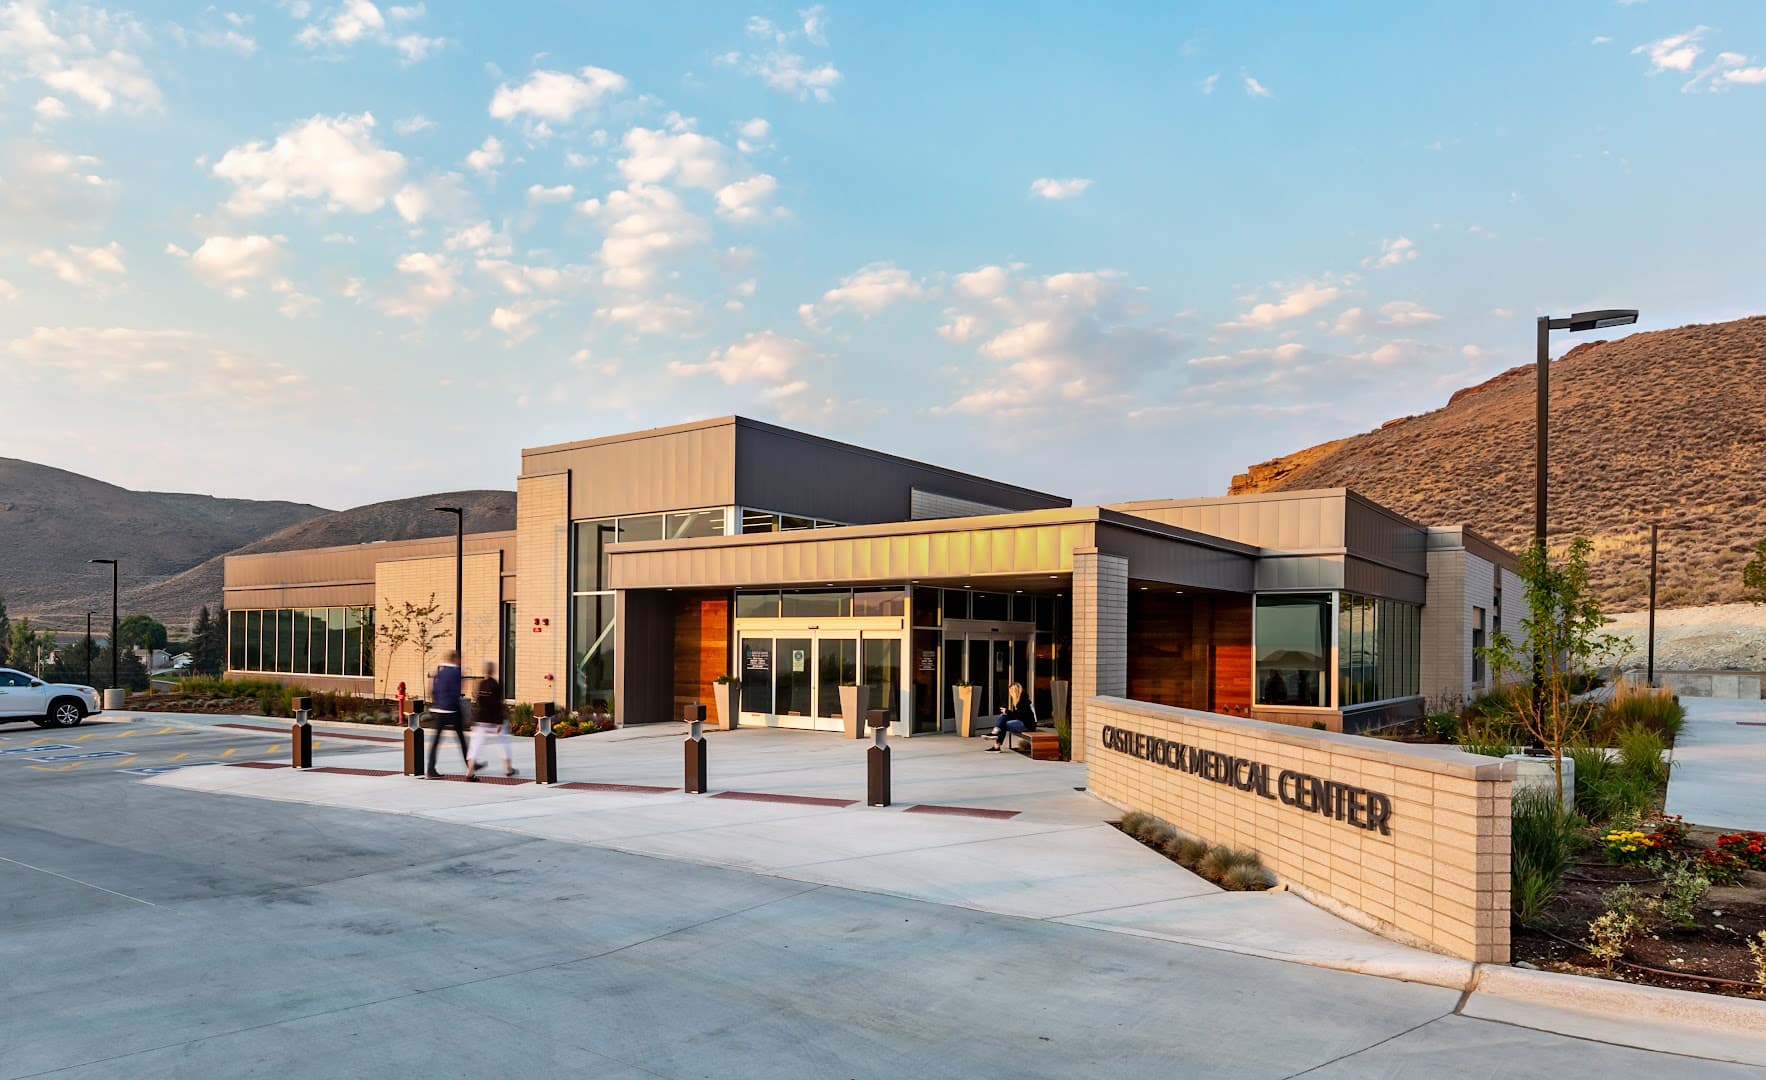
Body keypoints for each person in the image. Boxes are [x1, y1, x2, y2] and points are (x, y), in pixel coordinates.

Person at [466, 661, 516, 780]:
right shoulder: (495, 684)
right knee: (504, 742)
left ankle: (470, 770)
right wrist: (499, 721)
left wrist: (473, 721)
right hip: (493, 719)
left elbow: (478, 703)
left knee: (475, 744)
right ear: (493, 670)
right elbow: (497, 704)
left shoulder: (481, 684)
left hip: (480, 719)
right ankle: (508, 768)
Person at [424, 650, 468, 778]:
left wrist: (436, 703)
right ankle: (470, 764)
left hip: (439, 709)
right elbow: (457, 691)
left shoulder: (440, 671)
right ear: (455, 659)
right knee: (461, 739)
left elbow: (432, 690)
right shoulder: (456, 672)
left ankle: (430, 768)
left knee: (436, 741)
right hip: (452, 710)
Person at [986, 682, 1036, 753]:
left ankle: (996, 742)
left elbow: (1020, 716)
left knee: (1004, 724)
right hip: (1022, 722)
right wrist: (1007, 712)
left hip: (1027, 725)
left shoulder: (1023, 701)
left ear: (1015, 691)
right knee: (1003, 716)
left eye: (1011, 692)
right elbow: (1017, 715)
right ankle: (995, 734)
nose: (1010, 694)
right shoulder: (1019, 700)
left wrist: (1007, 712)